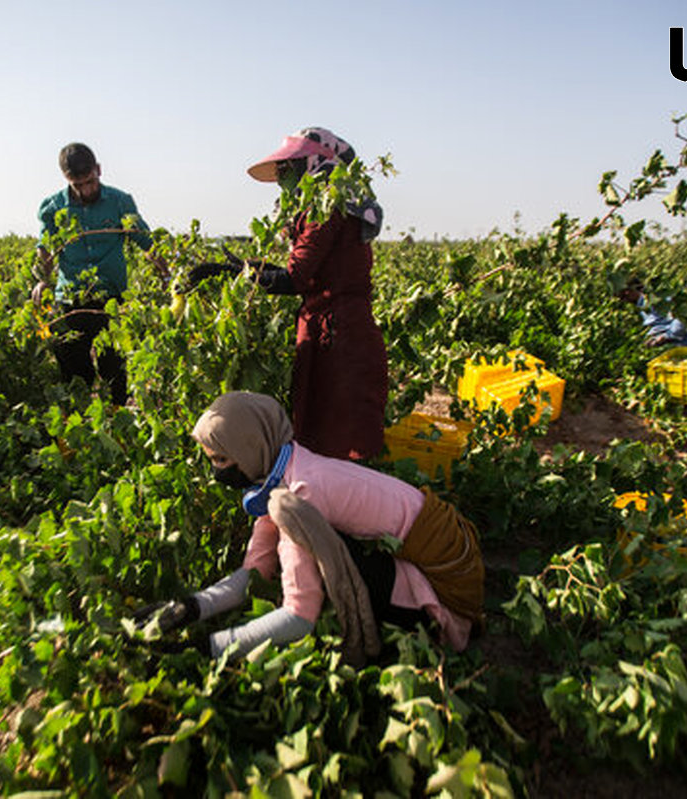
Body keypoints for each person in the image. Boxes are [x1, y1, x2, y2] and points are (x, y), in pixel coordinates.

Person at [134, 392, 484, 666]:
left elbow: (299, 616)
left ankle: (420, 621)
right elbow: (255, 572)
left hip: (445, 582)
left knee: (321, 564)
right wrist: (188, 608)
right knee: (319, 554)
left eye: (222, 460)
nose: (217, 473)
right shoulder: (283, 465)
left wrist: (208, 648)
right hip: (440, 548)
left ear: (251, 448)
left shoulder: (299, 494)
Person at [193, 128, 389, 461]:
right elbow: (303, 270)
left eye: (289, 168)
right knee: (327, 432)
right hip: (333, 331)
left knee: (339, 437)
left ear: (313, 165)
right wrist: (246, 266)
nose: (284, 177)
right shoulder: (334, 206)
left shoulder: (326, 209)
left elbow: (295, 279)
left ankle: (344, 507)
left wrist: (236, 274)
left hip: (339, 337)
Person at [35, 143, 160, 405]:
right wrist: (42, 281)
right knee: (75, 376)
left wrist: (168, 276)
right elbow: (45, 249)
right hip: (70, 302)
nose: (85, 190)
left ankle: (119, 428)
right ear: (67, 180)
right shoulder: (53, 208)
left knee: (115, 371)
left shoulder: (119, 202)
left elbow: (145, 242)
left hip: (110, 300)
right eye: (78, 185)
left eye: (90, 182)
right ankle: (84, 433)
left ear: (99, 171)